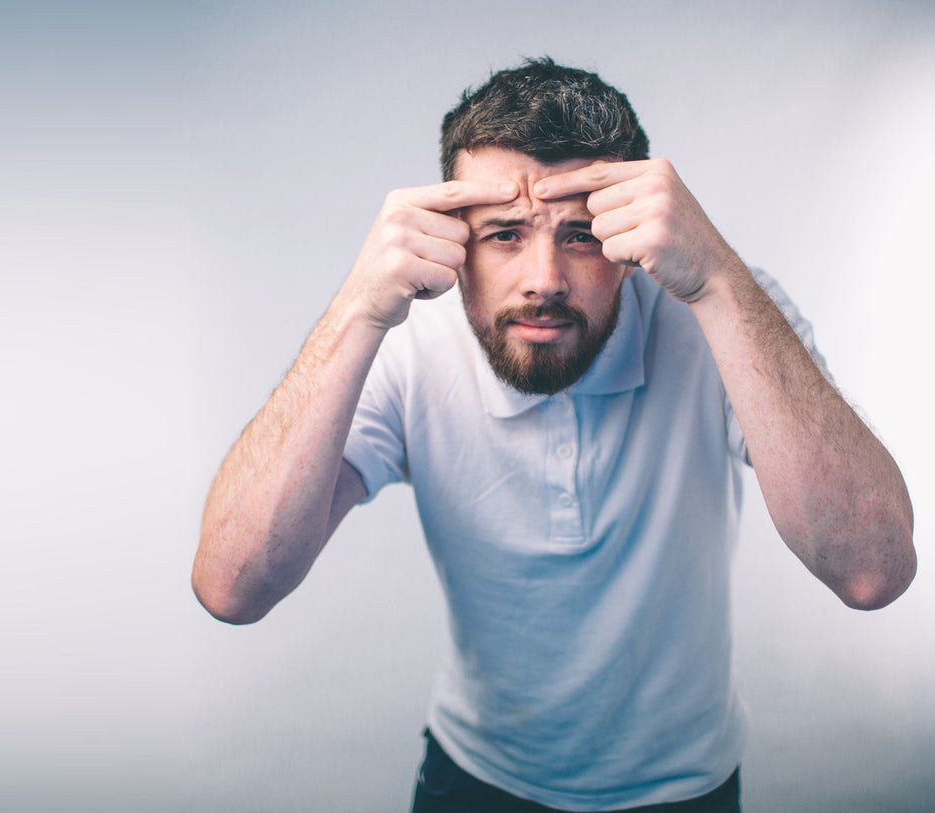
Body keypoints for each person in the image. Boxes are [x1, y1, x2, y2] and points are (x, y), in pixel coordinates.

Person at [191, 58, 915, 812]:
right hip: (474, 778)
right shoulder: (408, 342)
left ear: (635, 244)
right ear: (452, 246)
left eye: (580, 235)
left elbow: (872, 568)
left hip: (686, 787)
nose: (543, 278)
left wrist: (720, 280)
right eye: (503, 234)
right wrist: (357, 308)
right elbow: (232, 584)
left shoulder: (721, 315)